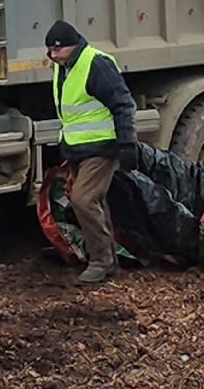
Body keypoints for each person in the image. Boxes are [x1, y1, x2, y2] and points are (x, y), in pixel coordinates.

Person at [46, 20, 138, 285]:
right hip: (78, 149)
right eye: (49, 50)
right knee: (95, 203)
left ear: (72, 46)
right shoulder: (64, 68)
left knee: (83, 200)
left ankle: (100, 261)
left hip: (101, 147)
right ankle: (109, 261)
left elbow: (122, 104)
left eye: (57, 49)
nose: (52, 56)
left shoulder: (95, 64)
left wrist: (127, 145)